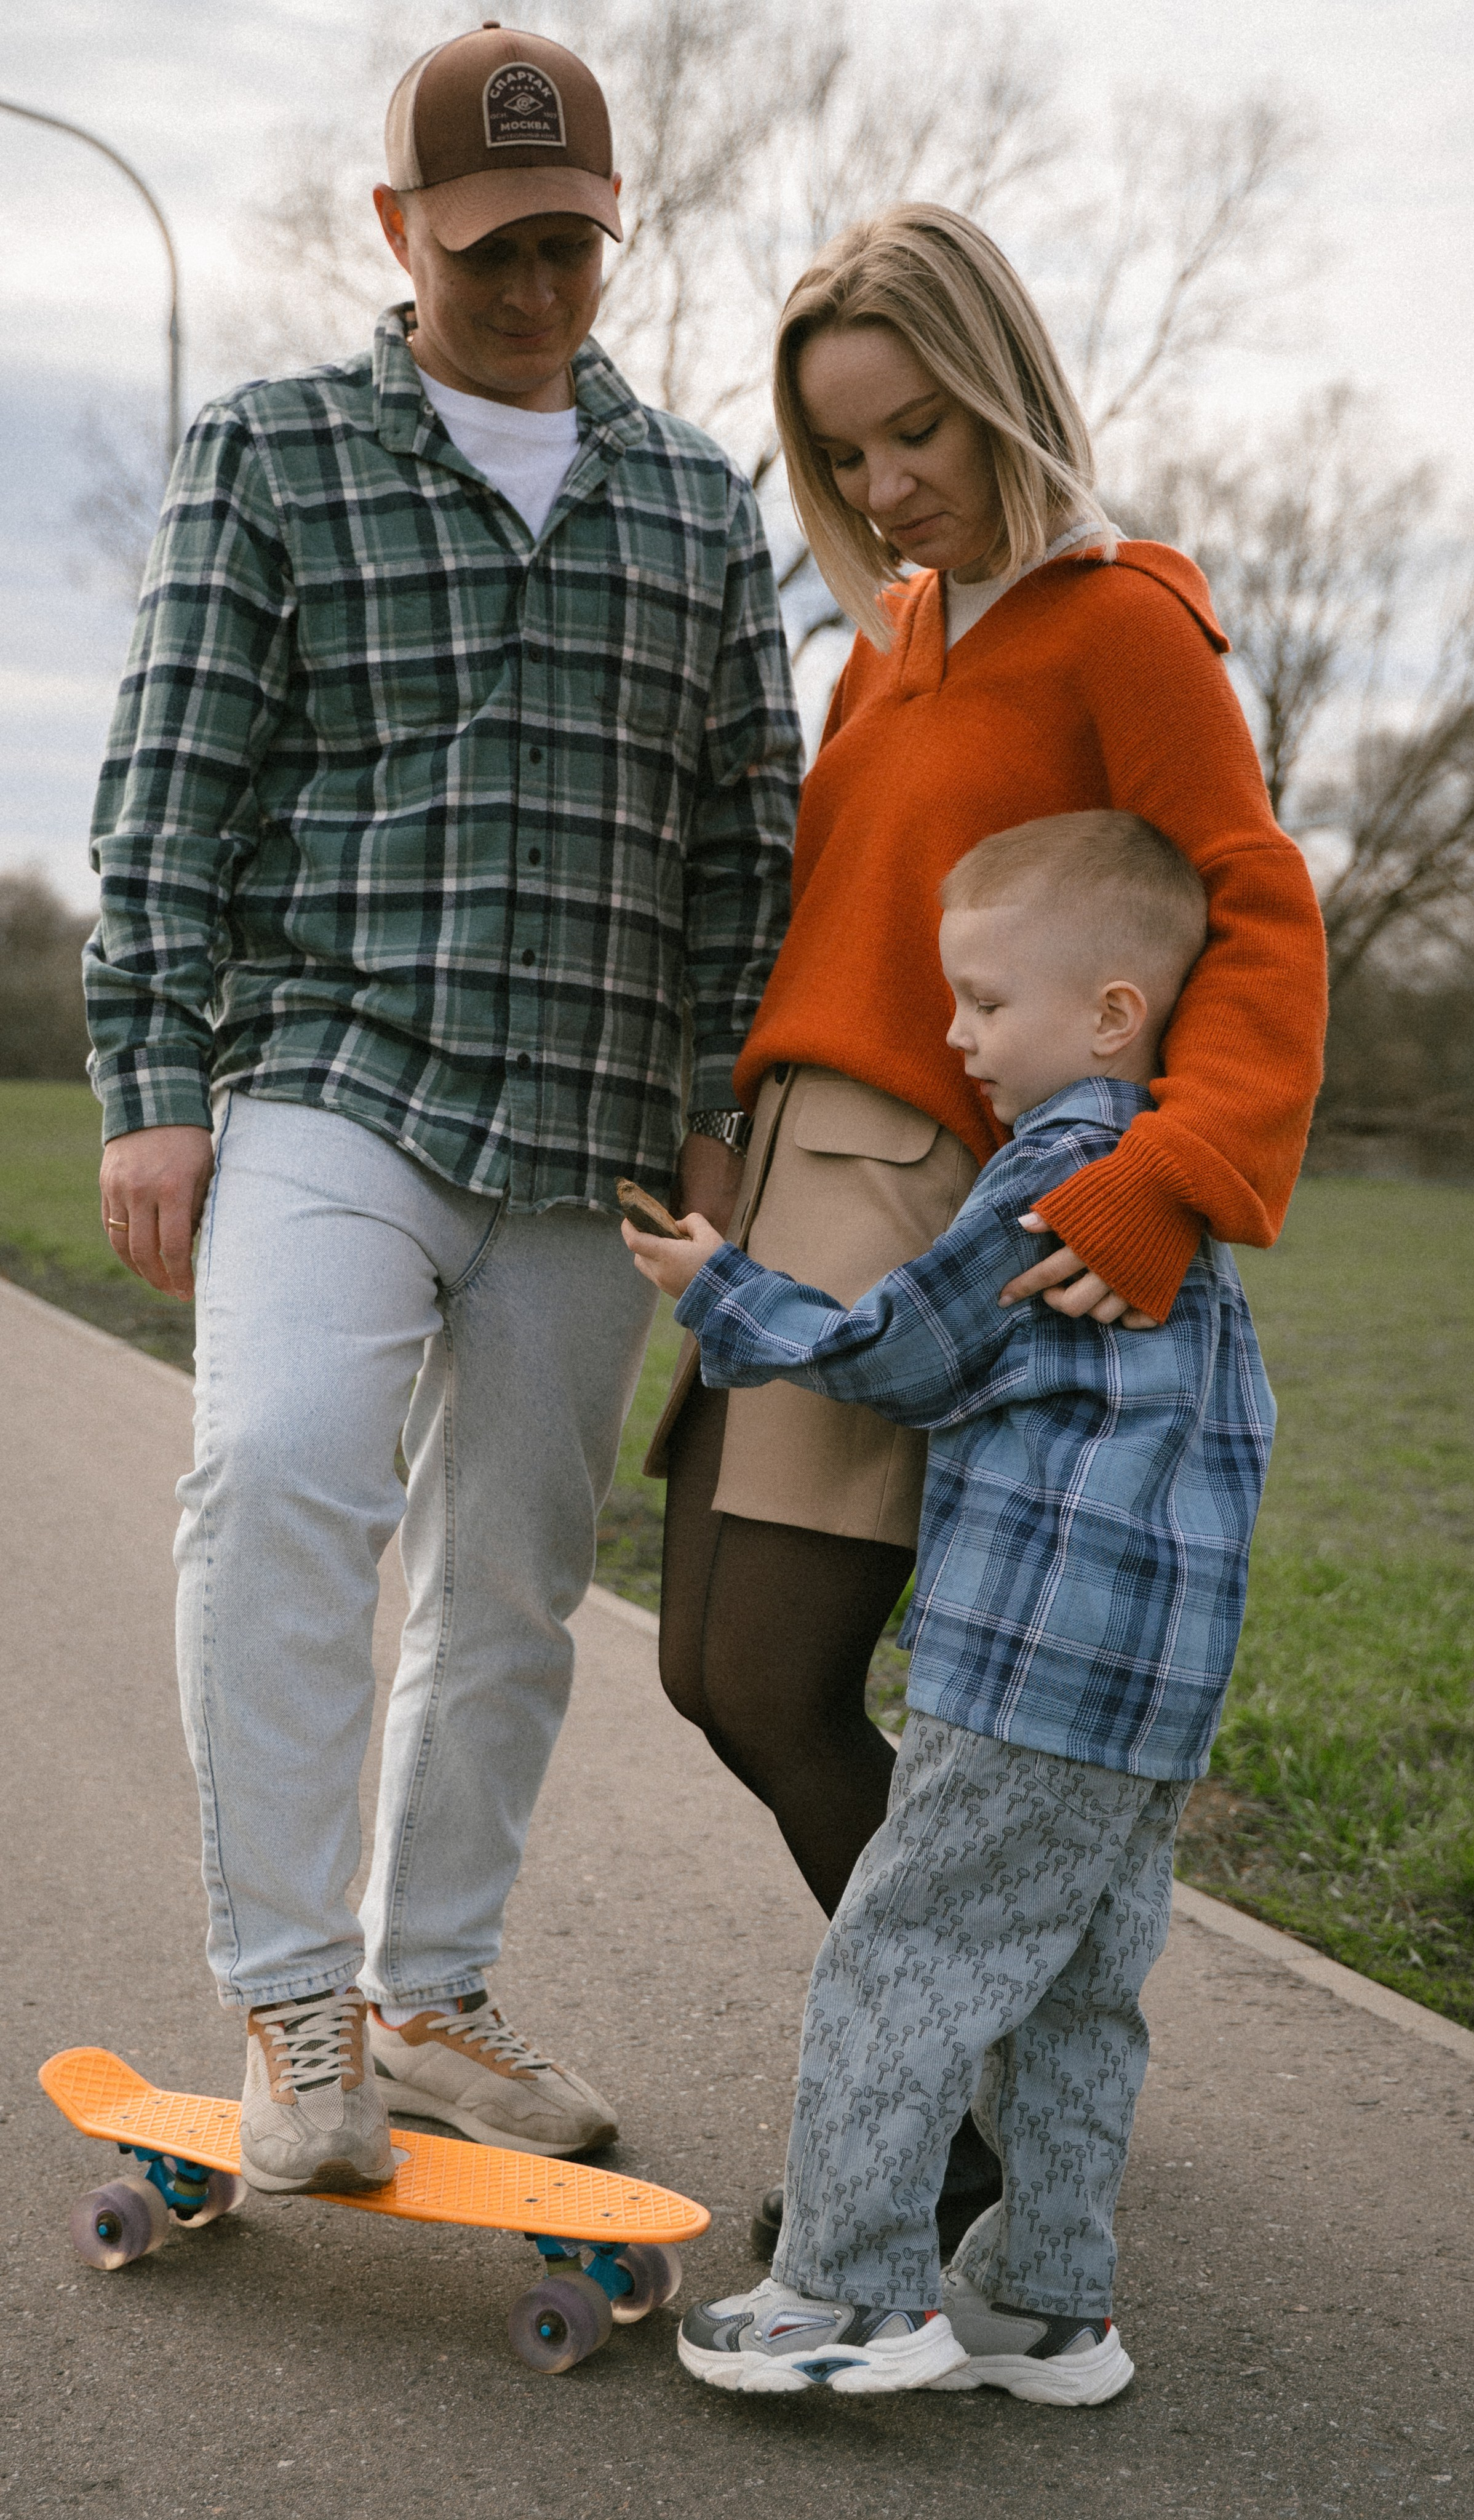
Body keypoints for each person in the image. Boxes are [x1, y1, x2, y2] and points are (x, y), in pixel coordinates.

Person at [84, 24, 799, 2194]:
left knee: (508, 1582)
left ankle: (430, 1987)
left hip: (591, 1119)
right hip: (337, 1075)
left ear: (612, 239)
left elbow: (743, 839)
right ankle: (296, 1997)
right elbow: (171, 793)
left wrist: (710, 1122)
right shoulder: (272, 454)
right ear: (399, 230)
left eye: (570, 245)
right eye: (491, 248)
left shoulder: (694, 497)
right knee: (285, 1472)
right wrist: (151, 1086)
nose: (533, 288)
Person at [647, 202, 1325, 2253]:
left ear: (1007, 384)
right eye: (845, 452)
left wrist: (1165, 1175)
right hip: (797, 1170)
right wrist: (721, 1139)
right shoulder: (889, 645)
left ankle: (945, 2117)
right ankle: (1004, 2077)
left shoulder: (1123, 619)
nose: (885, 486)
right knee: (701, 1667)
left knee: (772, 1678)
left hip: (936, 1200)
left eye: (917, 430)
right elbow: (833, 936)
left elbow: (1253, 906)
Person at [624, 809, 1276, 2398]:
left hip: (1027, 1659)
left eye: (986, 1001)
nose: (955, 1033)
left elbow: (907, 1352)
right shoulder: (1174, 1198)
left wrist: (722, 1285)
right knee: (1075, 1993)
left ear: (1114, 1012)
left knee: (900, 1958)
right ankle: (1047, 2302)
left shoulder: (1062, 1165)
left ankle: (850, 2290)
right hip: (1154, 1687)